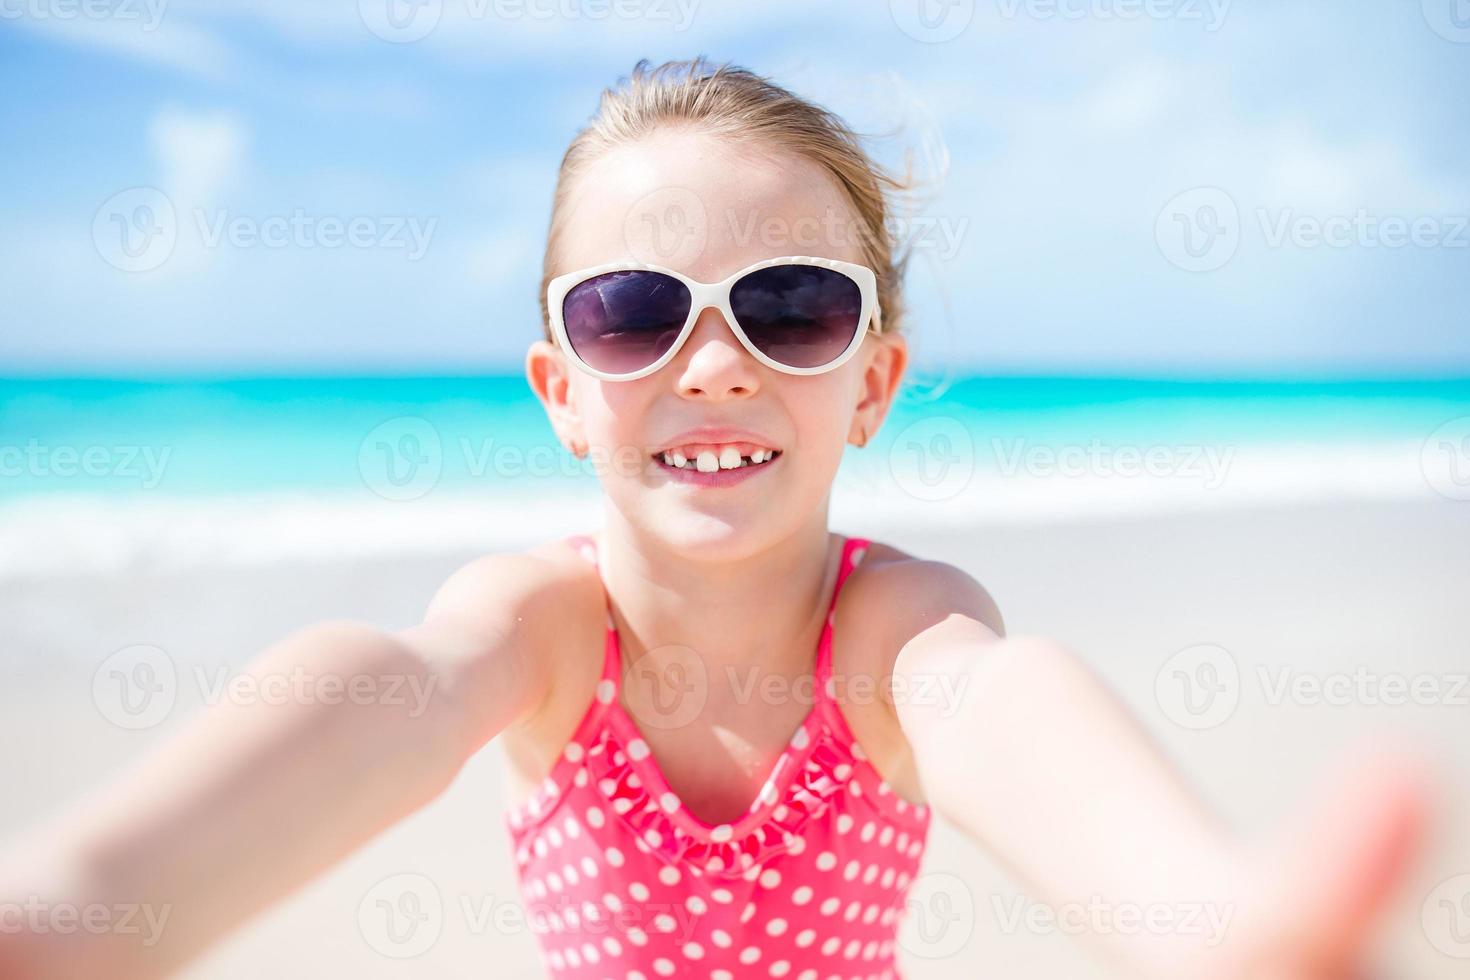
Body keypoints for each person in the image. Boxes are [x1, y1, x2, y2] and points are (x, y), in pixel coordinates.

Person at [0, 57, 1432, 980]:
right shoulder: (543, 632)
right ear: (562, 392)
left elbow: (994, 708)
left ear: (869, 383)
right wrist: (76, 904)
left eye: (789, 306)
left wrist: (1203, 919)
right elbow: (394, 696)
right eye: (631, 314)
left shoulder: (890, 631)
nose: (714, 360)